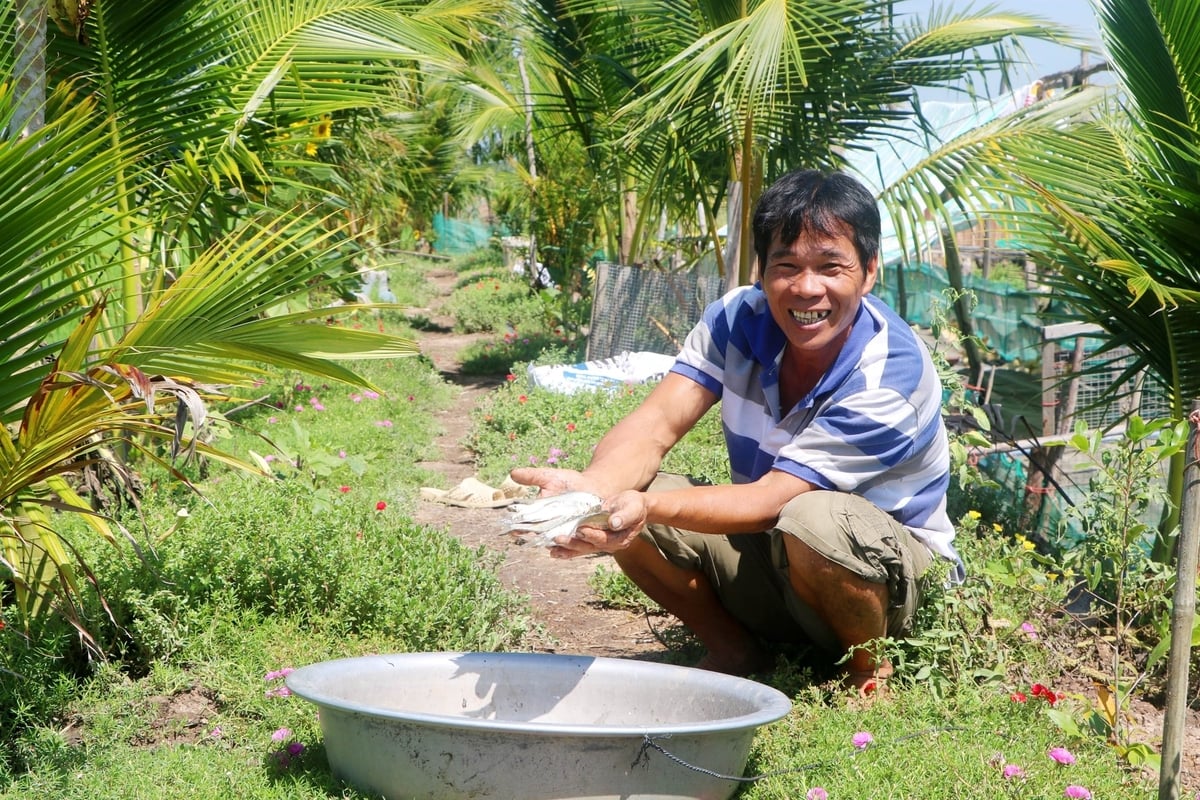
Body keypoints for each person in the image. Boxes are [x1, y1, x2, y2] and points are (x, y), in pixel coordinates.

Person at [511, 168, 959, 694]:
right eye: (786, 266)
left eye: (830, 267)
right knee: (619, 500)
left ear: (868, 272)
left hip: (888, 584)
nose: (806, 288)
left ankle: (867, 672)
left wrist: (641, 507)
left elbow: (773, 499)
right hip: (776, 552)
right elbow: (656, 423)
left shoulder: (890, 374)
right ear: (761, 271)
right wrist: (592, 491)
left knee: (812, 517)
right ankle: (734, 650)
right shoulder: (737, 317)